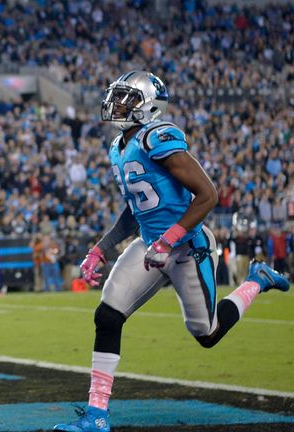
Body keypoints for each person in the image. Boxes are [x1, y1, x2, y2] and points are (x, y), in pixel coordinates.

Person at [54, 71, 290, 432]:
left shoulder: (157, 137)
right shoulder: (119, 147)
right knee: (107, 316)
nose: (117, 105)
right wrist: (100, 249)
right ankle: (96, 415)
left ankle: (257, 280)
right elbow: (136, 211)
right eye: (117, 97)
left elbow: (207, 194)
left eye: (127, 98)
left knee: (207, 333)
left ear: (148, 106)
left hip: (187, 246)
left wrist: (169, 239)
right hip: (150, 245)